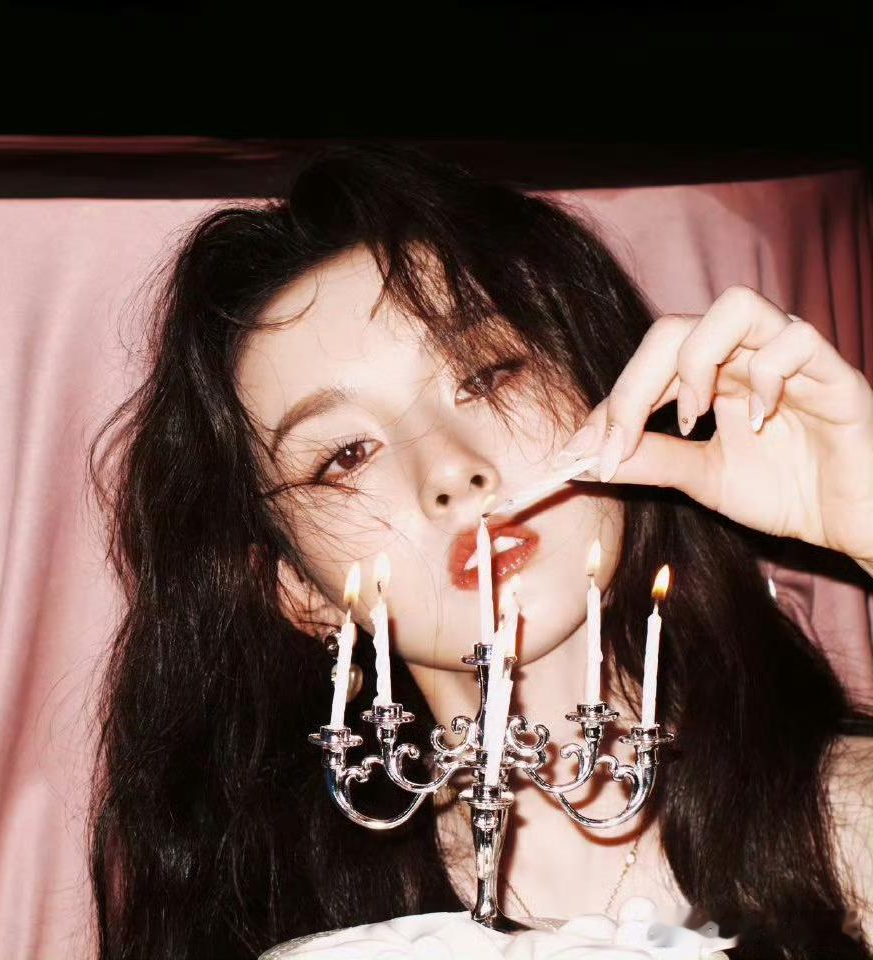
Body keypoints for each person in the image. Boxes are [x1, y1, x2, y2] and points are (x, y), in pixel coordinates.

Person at [86, 143, 873, 960]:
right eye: (345, 455)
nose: (451, 473)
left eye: (489, 375)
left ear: (606, 386)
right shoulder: (269, 917)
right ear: (299, 589)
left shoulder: (845, 822)